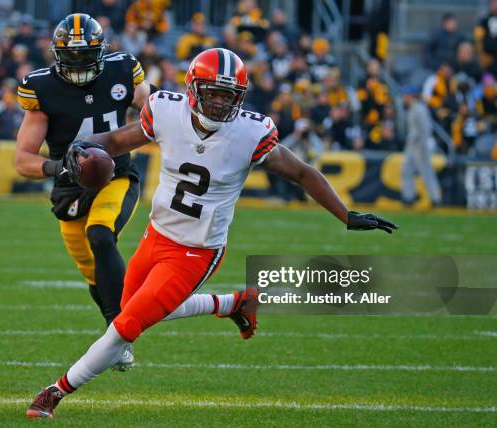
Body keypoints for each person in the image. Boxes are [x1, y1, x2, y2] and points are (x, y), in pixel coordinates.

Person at [25, 48, 398, 418]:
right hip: (157, 234)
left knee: (124, 328)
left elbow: (302, 172)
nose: (220, 103)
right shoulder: (167, 112)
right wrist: (83, 149)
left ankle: (55, 392)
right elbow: (117, 141)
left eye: (228, 94)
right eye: (213, 92)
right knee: (132, 310)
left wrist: (345, 215)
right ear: (193, 89)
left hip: (196, 250)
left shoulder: (251, 132)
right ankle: (233, 303)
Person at [14, 13, 151, 371]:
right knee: (94, 274)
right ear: (57, 54)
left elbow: (152, 111)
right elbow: (22, 160)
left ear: (102, 52)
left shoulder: (123, 70)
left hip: (116, 177)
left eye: (85, 55)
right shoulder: (42, 88)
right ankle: (115, 327)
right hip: (69, 188)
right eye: (70, 56)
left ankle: (119, 336)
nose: (77, 63)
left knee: (101, 234)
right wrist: (58, 166)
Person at [401, 85, 442, 206]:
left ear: (411, 96)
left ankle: (436, 198)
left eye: (406, 95)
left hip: (420, 145)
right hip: (412, 145)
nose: (404, 98)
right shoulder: (413, 108)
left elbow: (426, 128)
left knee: (426, 172)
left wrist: (423, 145)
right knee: (406, 170)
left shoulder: (419, 108)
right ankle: (409, 197)